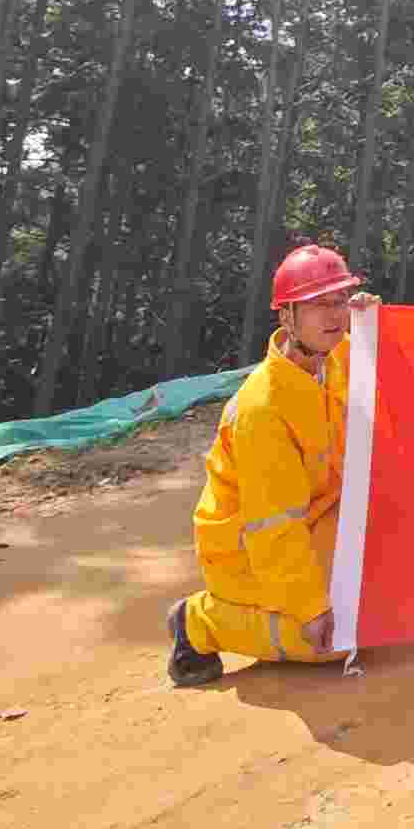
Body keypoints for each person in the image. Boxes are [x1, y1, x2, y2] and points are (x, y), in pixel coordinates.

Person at [168, 245, 378, 685]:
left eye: (340, 300)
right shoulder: (263, 407)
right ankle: (199, 621)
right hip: (248, 550)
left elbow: (395, 365)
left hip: (317, 517)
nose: (333, 314)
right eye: (318, 304)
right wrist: (310, 607)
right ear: (287, 316)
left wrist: (376, 323)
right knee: (335, 639)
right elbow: (273, 525)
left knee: (390, 589)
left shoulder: (339, 356)